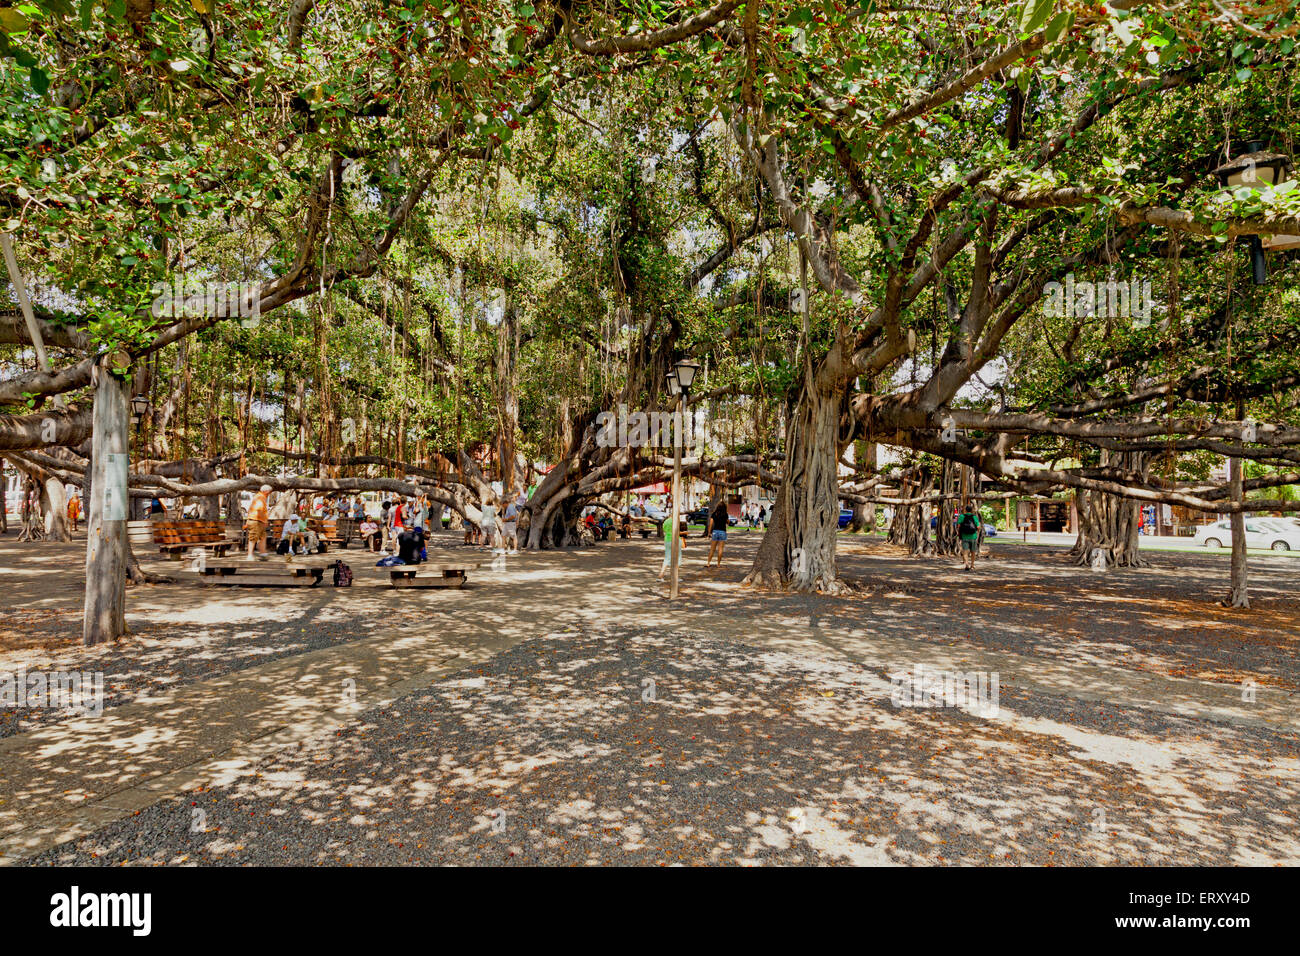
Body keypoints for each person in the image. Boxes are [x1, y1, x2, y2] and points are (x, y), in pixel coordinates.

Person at [658, 510, 687, 580]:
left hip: (667, 539)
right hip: (675, 540)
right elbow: (676, 532)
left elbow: (666, 530)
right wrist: (684, 533)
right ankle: (675, 576)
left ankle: (661, 575)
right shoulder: (675, 521)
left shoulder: (666, 521)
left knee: (667, 558)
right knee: (677, 558)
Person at [245, 484, 271, 560]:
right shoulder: (260, 497)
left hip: (260, 521)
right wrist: (265, 520)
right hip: (256, 520)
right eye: (269, 492)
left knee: (262, 537)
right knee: (253, 537)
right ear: (266, 491)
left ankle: (263, 554)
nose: (269, 494)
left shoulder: (261, 497)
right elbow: (259, 509)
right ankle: (249, 555)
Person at [957, 502, 981, 570]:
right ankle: (972, 565)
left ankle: (967, 564)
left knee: (965, 551)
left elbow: (958, 526)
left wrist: (959, 532)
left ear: (965, 510)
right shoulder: (974, 517)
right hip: (973, 536)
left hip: (964, 536)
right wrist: (977, 532)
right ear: (972, 510)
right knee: (973, 551)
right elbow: (978, 526)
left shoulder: (962, 516)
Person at [706, 498, 729, 567]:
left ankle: (708, 563)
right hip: (722, 532)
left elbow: (710, 524)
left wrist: (709, 533)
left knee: (712, 549)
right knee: (720, 549)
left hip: (715, 532)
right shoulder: (725, 514)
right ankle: (718, 564)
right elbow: (728, 522)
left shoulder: (714, 514)